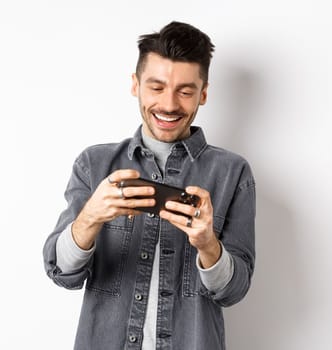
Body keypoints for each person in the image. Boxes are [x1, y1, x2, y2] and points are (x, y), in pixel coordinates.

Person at [42, 21, 256, 350]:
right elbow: (62, 272)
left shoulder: (233, 173)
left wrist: (207, 245)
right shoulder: (94, 164)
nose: (169, 104)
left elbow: (234, 290)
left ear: (203, 93)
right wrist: (91, 217)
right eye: (156, 87)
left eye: (185, 91)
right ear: (135, 85)